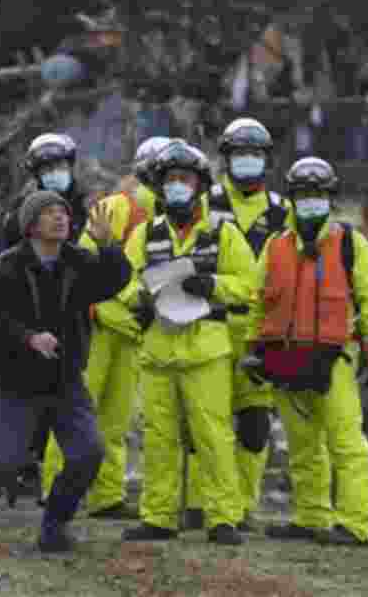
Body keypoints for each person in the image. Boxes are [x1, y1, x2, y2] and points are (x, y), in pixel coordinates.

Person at [0, 190, 131, 556]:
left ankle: (55, 526)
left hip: (65, 380)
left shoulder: (78, 260)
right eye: (49, 213)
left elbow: (115, 281)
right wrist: (30, 338)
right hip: (16, 383)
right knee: (3, 463)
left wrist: (108, 244)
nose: (60, 218)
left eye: (63, 212)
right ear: (31, 226)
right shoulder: (7, 267)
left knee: (88, 453)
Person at [246, 156, 368, 545]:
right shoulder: (276, 246)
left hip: (334, 360)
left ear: (330, 197)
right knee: (301, 444)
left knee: (345, 443)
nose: (311, 201)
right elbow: (258, 301)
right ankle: (310, 518)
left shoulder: (350, 244)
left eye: (318, 194)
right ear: (293, 198)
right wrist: (252, 348)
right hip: (284, 358)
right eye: (304, 194)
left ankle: (356, 525)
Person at [119, 140, 255, 545]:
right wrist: (138, 297)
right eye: (170, 179)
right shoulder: (145, 234)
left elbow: (249, 285)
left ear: (200, 185)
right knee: (159, 438)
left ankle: (223, 519)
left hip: (206, 353)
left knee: (213, 437)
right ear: (159, 187)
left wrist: (212, 284)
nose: (178, 185)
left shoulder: (223, 233)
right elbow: (123, 281)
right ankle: (159, 517)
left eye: (185, 178)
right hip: (158, 350)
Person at [39, 135, 170, 515]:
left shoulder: (172, 218)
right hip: (98, 327)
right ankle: (55, 488)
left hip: (132, 331)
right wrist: (125, 305)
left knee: (117, 417)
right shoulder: (116, 207)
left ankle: (107, 495)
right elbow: (83, 266)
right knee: (77, 412)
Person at [185, 118, 293, 531]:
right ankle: (197, 502)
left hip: (259, 331)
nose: (247, 162)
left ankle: (243, 506)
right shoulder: (205, 204)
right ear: (225, 159)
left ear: (266, 160)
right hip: (209, 325)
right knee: (202, 421)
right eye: (239, 154)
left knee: (253, 423)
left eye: (255, 155)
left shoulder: (283, 212)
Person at [0, 132, 89, 493]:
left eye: (62, 166)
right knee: (31, 393)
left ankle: (69, 466)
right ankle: (25, 465)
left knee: (71, 393)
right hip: (32, 313)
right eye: (48, 168)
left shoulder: (86, 207)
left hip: (75, 313)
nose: (57, 173)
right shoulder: (19, 213)